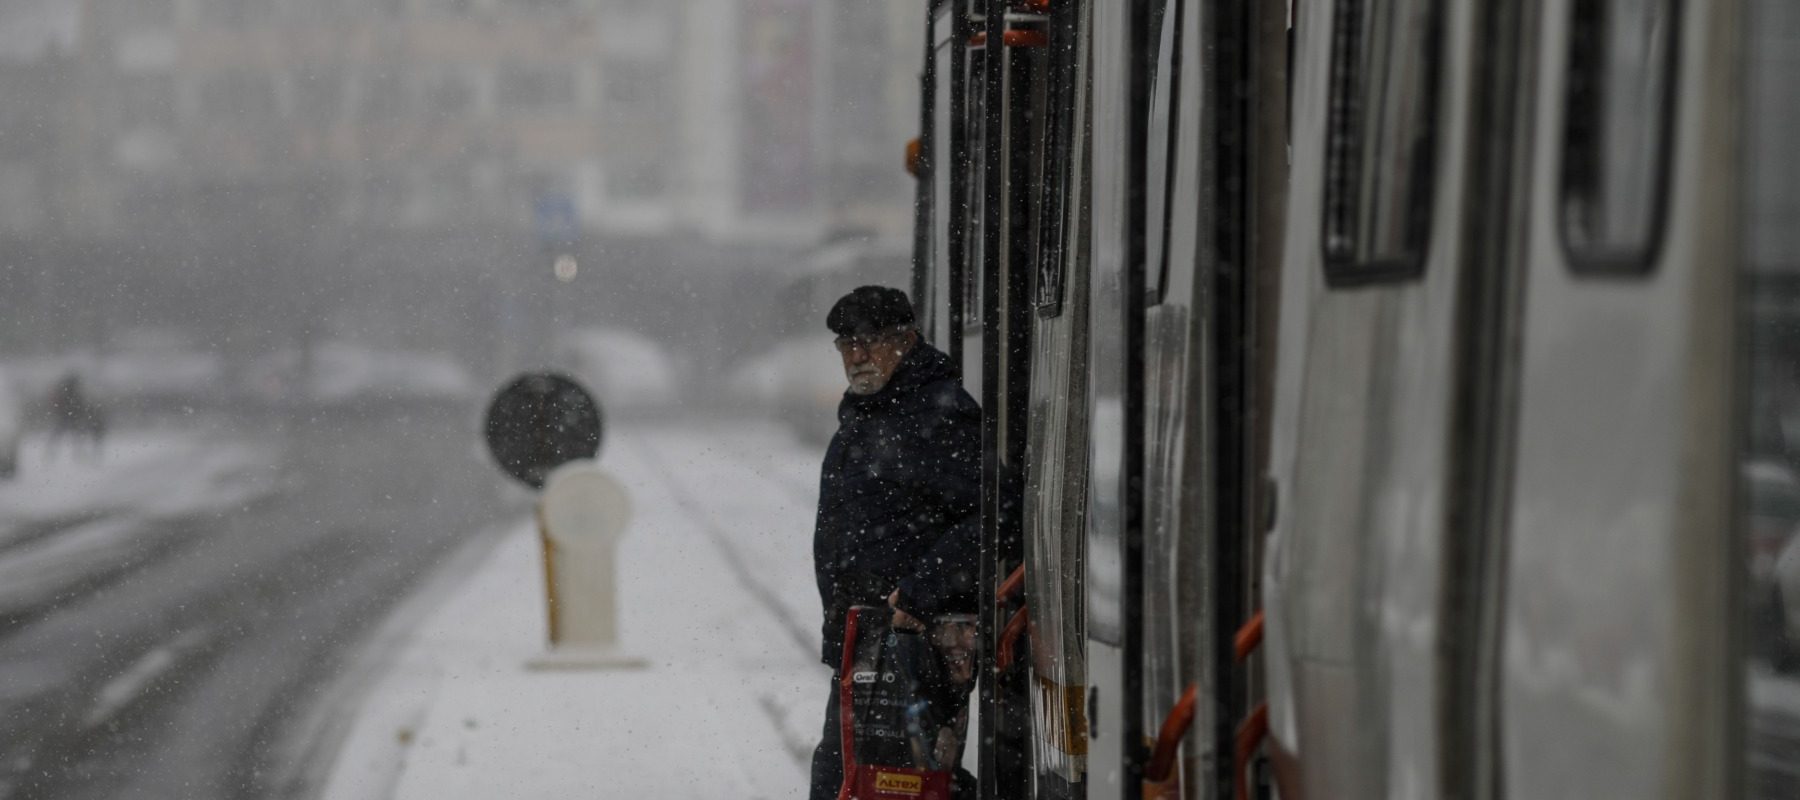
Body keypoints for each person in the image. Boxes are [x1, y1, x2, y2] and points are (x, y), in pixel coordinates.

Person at [809, 286, 982, 800]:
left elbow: (991, 515)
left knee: (893, 780)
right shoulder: (873, 410)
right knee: (865, 778)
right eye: (847, 345)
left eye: (871, 341)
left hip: (911, 638)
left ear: (907, 340)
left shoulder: (937, 412)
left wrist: (917, 594)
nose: (857, 356)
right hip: (867, 632)